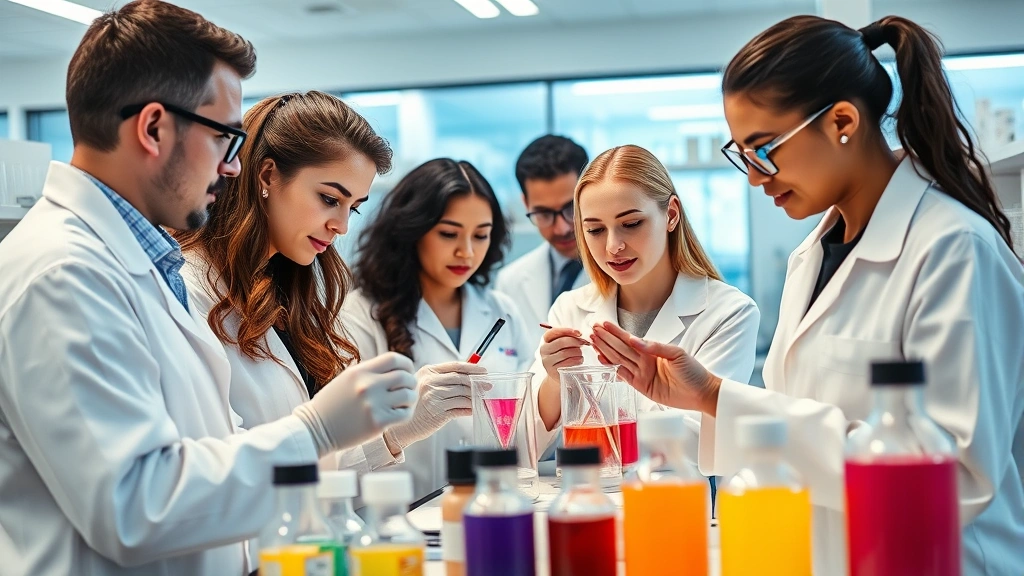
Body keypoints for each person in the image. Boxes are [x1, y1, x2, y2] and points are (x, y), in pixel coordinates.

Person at [593, 16, 1024, 575]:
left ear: (842, 121)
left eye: (764, 149)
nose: (755, 176)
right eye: (742, 154)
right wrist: (710, 396)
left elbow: (955, 479)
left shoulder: (952, 249)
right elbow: (795, 423)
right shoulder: (813, 256)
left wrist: (724, 398)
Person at [0, 4, 416, 575]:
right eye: (225, 137)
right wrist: (314, 429)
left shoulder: (136, 264)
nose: (231, 168)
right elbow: (135, 506)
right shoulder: (64, 273)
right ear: (153, 128)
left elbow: (209, 457)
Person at [530, 144, 759, 462]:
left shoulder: (728, 313)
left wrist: (594, 433)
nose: (613, 246)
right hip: (584, 501)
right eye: (595, 230)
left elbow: (697, 443)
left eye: (631, 223)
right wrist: (555, 382)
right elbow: (520, 446)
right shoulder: (569, 310)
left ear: (671, 215)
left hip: (674, 502)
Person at [343, 158, 534, 499]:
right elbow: (339, 455)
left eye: (481, 235)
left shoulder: (502, 310)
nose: (467, 251)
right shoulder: (360, 315)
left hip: (491, 507)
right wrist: (401, 429)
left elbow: (525, 424)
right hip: (403, 522)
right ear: (412, 230)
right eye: (449, 233)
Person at [495, 135, 591, 348]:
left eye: (570, 209)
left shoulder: (624, 273)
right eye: (543, 213)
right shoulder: (510, 281)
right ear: (526, 203)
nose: (562, 228)